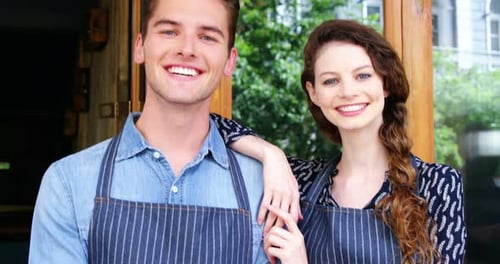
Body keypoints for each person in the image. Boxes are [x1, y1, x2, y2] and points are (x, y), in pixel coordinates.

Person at [28, 0, 299, 263]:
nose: (187, 49)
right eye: (169, 31)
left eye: (207, 37)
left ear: (230, 60)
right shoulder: (67, 183)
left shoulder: (267, 190)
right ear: (140, 47)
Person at [228, 19, 467, 263]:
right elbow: (217, 126)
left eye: (362, 75)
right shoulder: (301, 181)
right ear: (313, 92)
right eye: (331, 80)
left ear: (385, 83)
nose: (348, 91)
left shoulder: (438, 185)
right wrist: (272, 155)